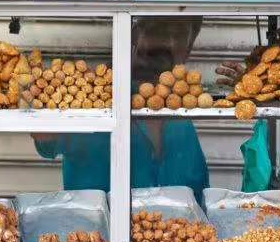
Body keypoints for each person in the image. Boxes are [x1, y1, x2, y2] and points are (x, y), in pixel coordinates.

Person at [31, 17, 209, 204]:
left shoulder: (181, 109)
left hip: (171, 230)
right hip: (99, 231)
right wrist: (45, 90)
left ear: (189, 47)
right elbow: (44, 138)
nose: (168, 42)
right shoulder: (98, 93)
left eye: (179, 35)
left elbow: (197, 190)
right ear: (135, 33)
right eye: (159, 30)